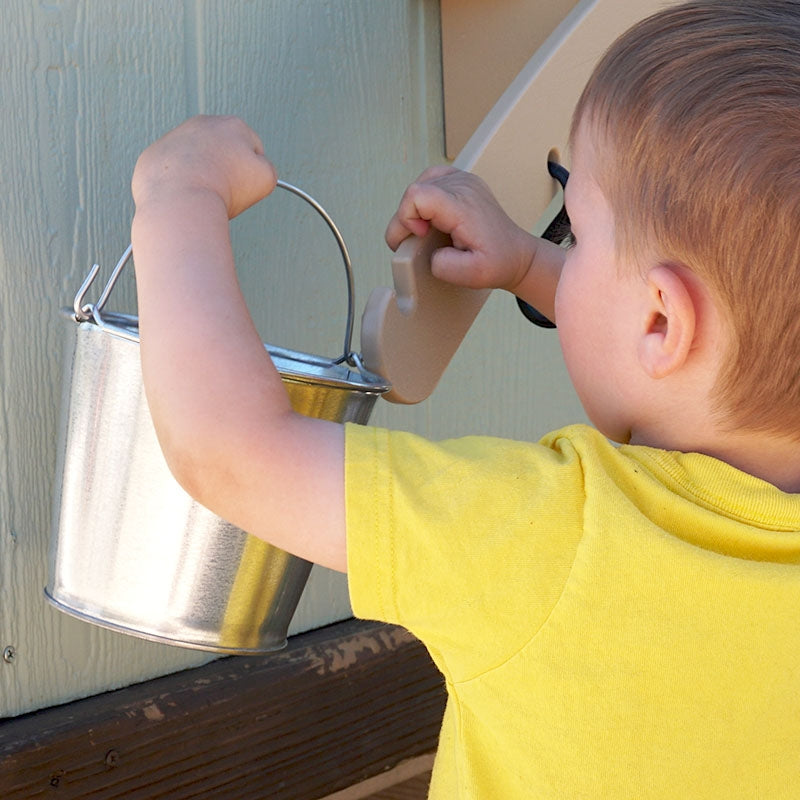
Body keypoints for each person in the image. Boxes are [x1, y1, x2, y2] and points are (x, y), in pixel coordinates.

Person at [129, 1, 800, 796]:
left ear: (658, 321)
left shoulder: (551, 538)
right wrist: (526, 262)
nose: (562, 249)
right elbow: (679, 334)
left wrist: (178, 200)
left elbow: (233, 452)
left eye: (576, 234)